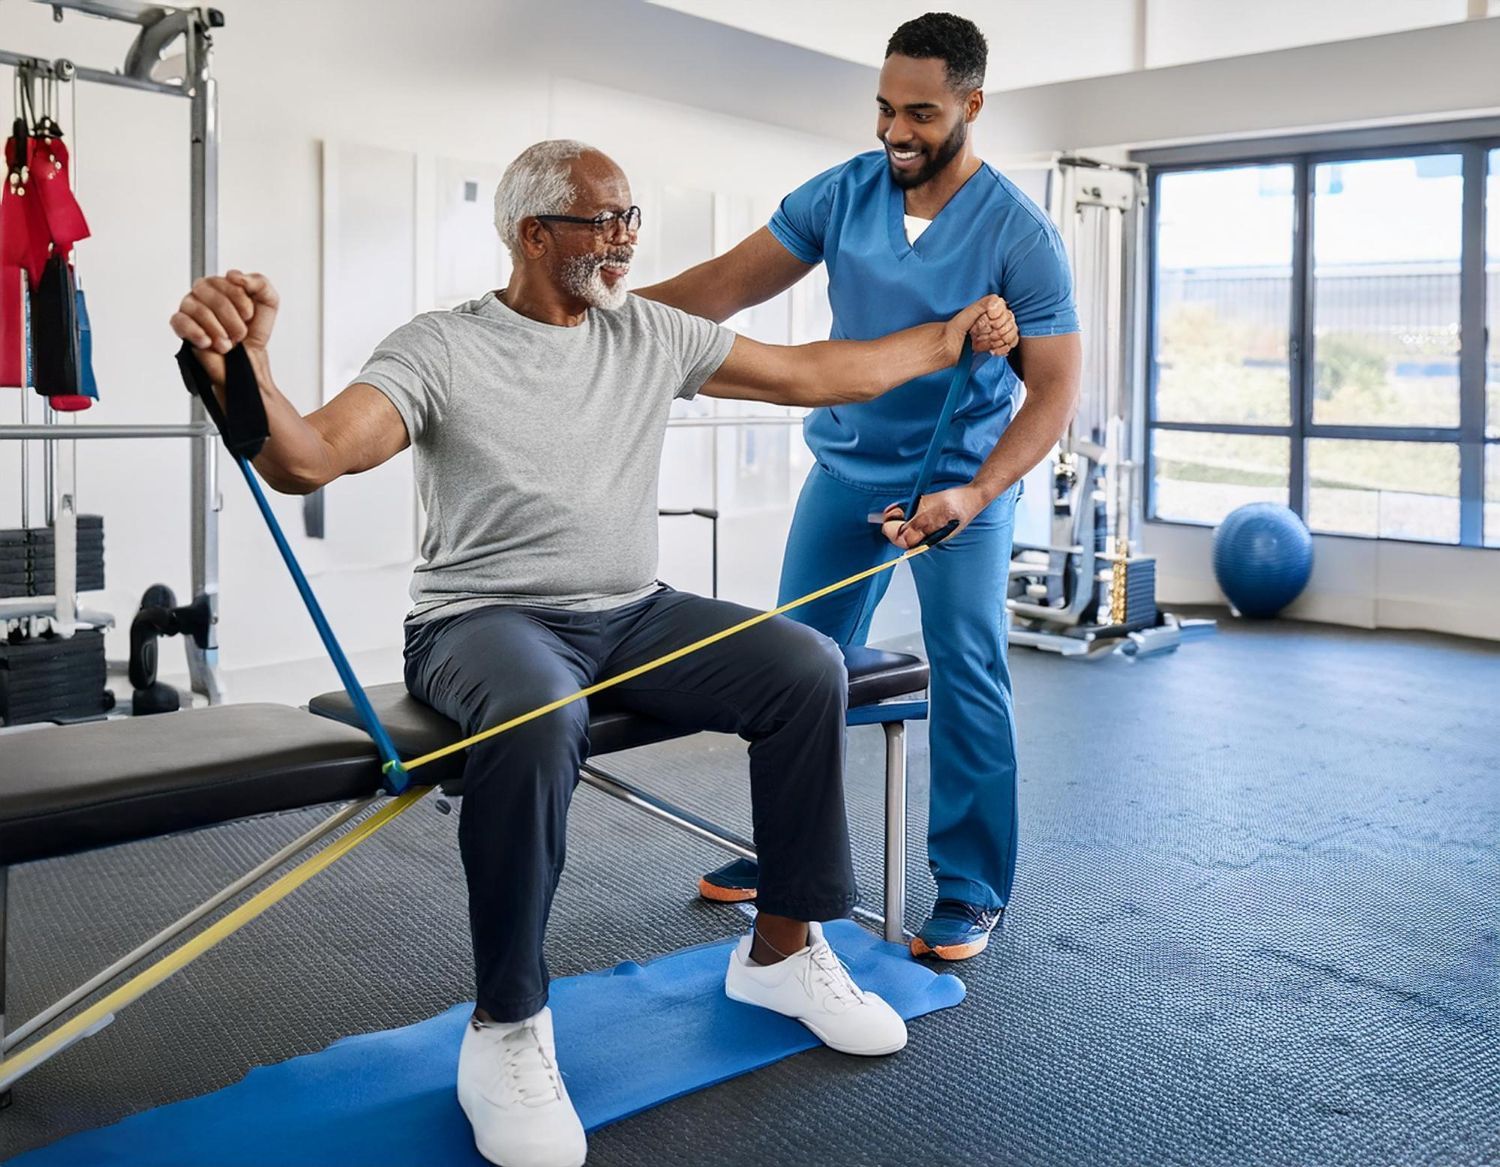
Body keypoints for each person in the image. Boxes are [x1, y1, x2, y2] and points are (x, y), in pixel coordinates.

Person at [171, 140, 1009, 1167]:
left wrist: (954, 337)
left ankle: (784, 951)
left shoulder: (646, 331)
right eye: (604, 221)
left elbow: (811, 374)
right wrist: (242, 366)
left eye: (631, 220)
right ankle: (507, 1027)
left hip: (632, 611)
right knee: (540, 719)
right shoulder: (438, 347)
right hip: (482, 621)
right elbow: (308, 458)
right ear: (534, 234)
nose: (625, 240)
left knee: (804, 668)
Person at [641, 12, 1082, 963]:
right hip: (845, 472)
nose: (896, 133)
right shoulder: (842, 193)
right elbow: (723, 285)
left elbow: (1050, 402)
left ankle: (968, 887)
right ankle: (789, 857)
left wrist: (975, 495)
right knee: (796, 667)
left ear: (971, 105)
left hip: (960, 486)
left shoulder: (1021, 235)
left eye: (920, 113)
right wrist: (592, 312)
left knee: (967, 670)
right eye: (884, 109)